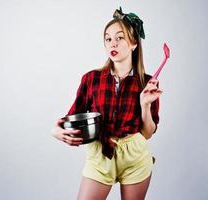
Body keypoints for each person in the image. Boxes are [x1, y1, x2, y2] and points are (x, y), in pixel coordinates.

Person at [52, 7, 162, 200]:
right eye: (108, 38)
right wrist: (56, 130)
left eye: (120, 38)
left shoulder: (148, 83)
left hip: (135, 156)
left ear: (134, 43)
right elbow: (71, 118)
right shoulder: (91, 79)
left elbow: (147, 133)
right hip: (100, 154)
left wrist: (145, 105)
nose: (113, 43)